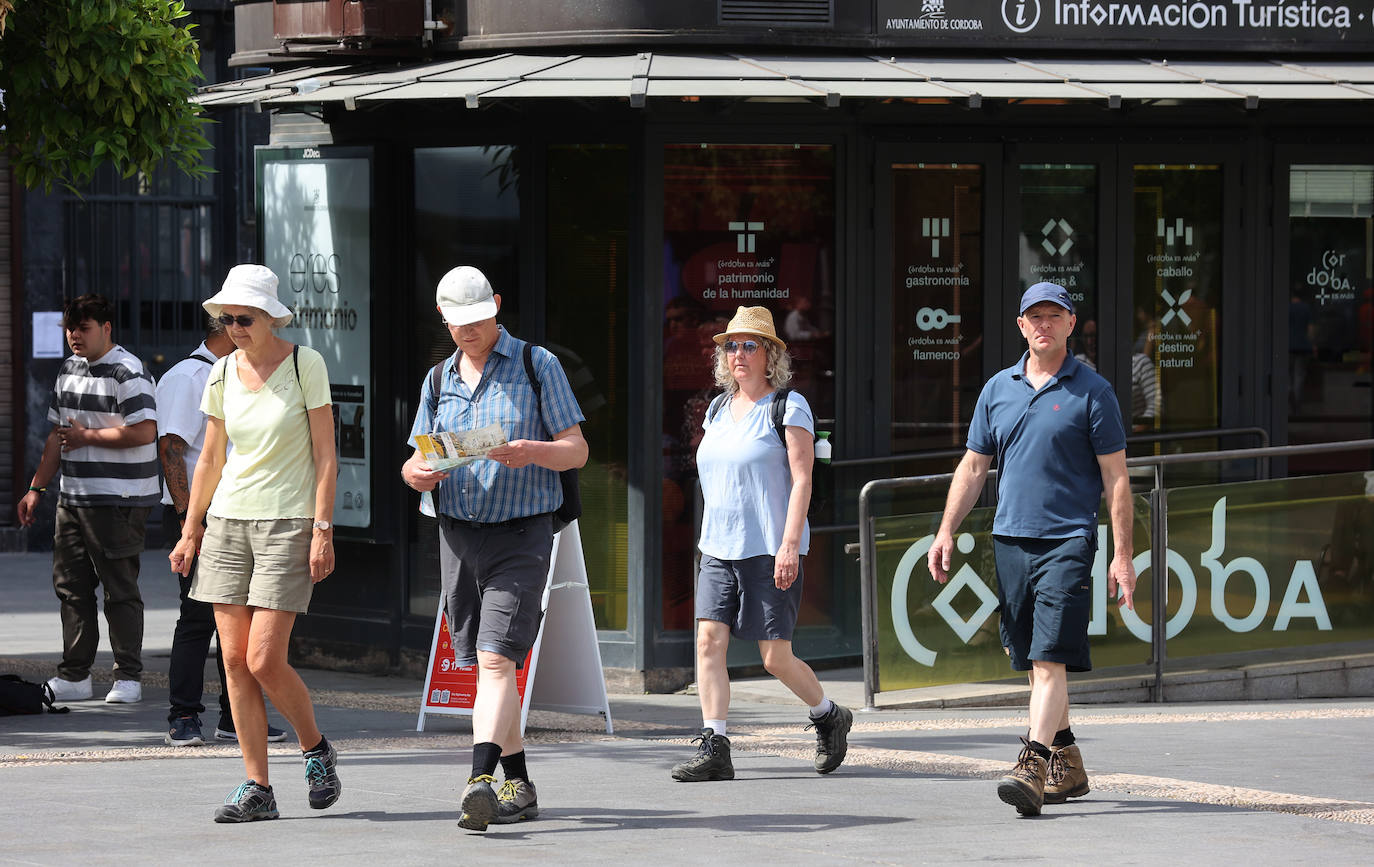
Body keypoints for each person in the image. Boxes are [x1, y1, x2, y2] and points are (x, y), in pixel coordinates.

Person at [927, 282, 1135, 817]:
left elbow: (1116, 480)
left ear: (1070, 323)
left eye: (1054, 316)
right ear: (1021, 326)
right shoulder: (998, 389)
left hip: (1067, 539)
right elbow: (973, 467)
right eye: (1033, 317)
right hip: (1009, 538)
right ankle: (1068, 756)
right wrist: (946, 529)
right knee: (1029, 658)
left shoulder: (1094, 391)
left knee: (1048, 657)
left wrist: (1122, 554)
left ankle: (1033, 762)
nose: (1043, 325)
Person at [401, 265, 587, 831]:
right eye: (457, 323)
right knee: (485, 667)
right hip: (457, 534)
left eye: (477, 319)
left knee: (496, 661)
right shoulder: (438, 380)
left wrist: (534, 451)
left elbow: (576, 450)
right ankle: (520, 783)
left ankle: (479, 779)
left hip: (521, 534)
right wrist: (418, 474)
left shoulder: (538, 364)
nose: (468, 331)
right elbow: (415, 459)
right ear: (443, 319)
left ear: (497, 306)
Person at [169, 265, 341, 823]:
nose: (235, 327)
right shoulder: (220, 372)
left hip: (287, 524)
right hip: (226, 525)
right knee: (235, 663)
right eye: (228, 319)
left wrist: (322, 529)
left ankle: (314, 746)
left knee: (265, 658)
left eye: (244, 318)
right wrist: (191, 529)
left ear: (271, 316)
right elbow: (211, 460)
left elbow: (326, 457)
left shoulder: (303, 364)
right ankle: (257, 786)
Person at [670, 305, 852, 783]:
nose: (739, 354)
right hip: (717, 547)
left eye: (750, 345)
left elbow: (803, 480)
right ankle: (715, 744)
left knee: (774, 657)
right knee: (708, 641)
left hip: (770, 546)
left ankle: (829, 714)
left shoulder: (788, 406)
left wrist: (790, 544)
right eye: (732, 345)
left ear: (771, 355)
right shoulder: (715, 409)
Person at [16, 293, 158, 704]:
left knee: (119, 587)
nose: (75, 336)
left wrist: (87, 437)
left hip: (120, 496)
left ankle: (128, 676)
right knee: (71, 587)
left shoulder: (127, 371)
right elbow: (57, 437)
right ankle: (75, 674)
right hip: (74, 496)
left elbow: (145, 430)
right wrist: (36, 488)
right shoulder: (69, 369)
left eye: (84, 328)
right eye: (70, 328)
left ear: (106, 328)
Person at [157, 318, 286, 747]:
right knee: (197, 619)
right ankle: (184, 714)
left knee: (242, 620)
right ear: (224, 328)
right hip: (199, 513)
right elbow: (172, 450)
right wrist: (186, 521)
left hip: (241, 511)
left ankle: (236, 716)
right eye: (241, 322)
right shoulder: (188, 376)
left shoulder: (243, 372)